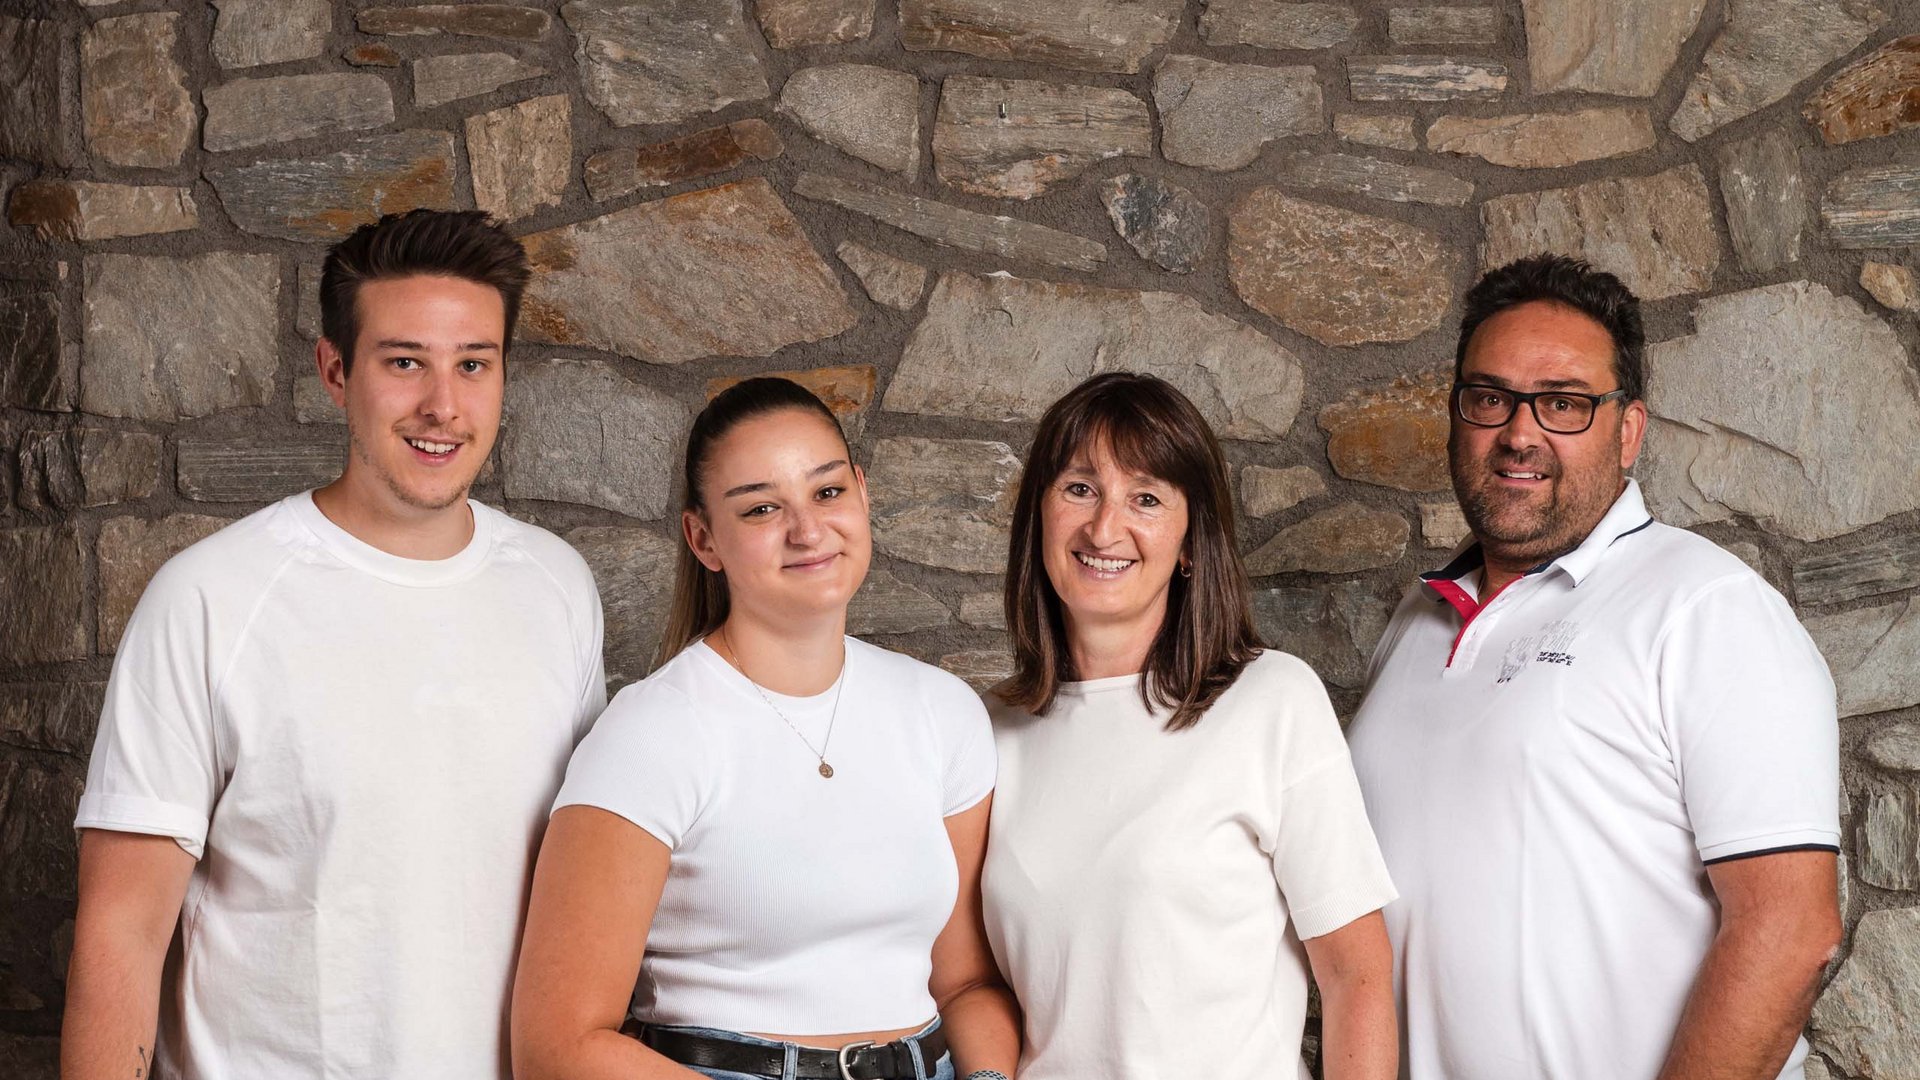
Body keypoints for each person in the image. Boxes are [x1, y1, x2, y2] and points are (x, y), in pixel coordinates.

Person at [62, 209, 607, 1079]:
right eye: (404, 363)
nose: (443, 404)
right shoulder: (210, 598)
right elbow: (122, 932)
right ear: (334, 371)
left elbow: (585, 892)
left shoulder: (557, 587)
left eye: (474, 364)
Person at [1347, 254, 1843, 1080]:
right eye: (1489, 397)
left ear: (1628, 429)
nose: (1519, 432)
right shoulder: (1416, 621)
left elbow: (1792, 929)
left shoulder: (1705, 608)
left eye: (1565, 404)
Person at [510, 377, 1020, 1080]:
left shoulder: (941, 711)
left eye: (828, 492)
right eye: (761, 508)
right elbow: (556, 1046)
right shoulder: (654, 734)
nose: (808, 530)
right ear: (703, 539)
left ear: (863, 494)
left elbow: (964, 983)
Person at [981, 372, 1399, 1080]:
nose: (1104, 527)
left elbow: (1357, 979)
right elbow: (979, 986)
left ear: (1189, 544)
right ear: (1039, 516)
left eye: (1145, 498)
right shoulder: (989, 731)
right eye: (1079, 488)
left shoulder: (1271, 701)